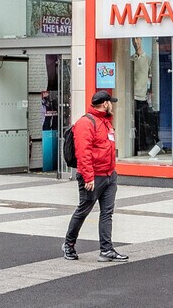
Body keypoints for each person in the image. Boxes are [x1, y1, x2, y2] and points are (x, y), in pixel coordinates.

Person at [63, 90, 127, 262]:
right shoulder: (86, 123)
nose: (112, 105)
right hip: (93, 177)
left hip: (109, 175)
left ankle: (106, 250)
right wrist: (88, 177)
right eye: (110, 102)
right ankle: (68, 244)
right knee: (83, 210)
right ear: (105, 104)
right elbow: (83, 152)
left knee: (107, 213)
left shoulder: (105, 122)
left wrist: (112, 172)